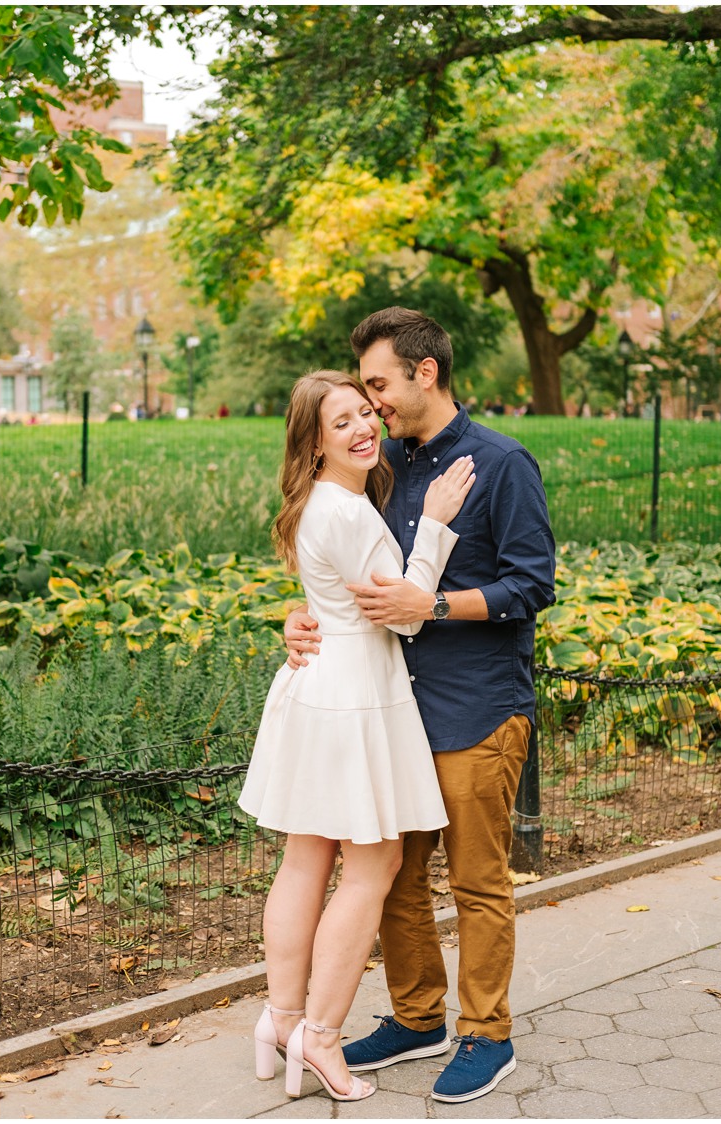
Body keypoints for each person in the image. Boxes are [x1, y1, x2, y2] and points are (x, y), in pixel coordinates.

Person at [283, 307, 556, 1104]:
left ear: (424, 372)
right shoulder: (385, 465)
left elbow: (532, 586)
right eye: (363, 396)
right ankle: (416, 1017)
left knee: (477, 883)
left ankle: (486, 1033)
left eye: (378, 387)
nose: (373, 408)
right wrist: (304, 619)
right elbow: (343, 561)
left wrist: (433, 606)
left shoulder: (502, 463)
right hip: (390, 710)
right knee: (395, 878)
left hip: (477, 708)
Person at [240, 369, 476, 1102]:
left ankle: (281, 1021)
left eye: (365, 413)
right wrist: (435, 523)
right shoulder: (344, 511)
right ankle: (321, 1034)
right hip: (355, 695)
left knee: (306, 858)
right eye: (340, 422)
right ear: (314, 443)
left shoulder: (324, 503)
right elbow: (403, 613)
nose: (363, 428)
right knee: (370, 869)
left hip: (320, 688)